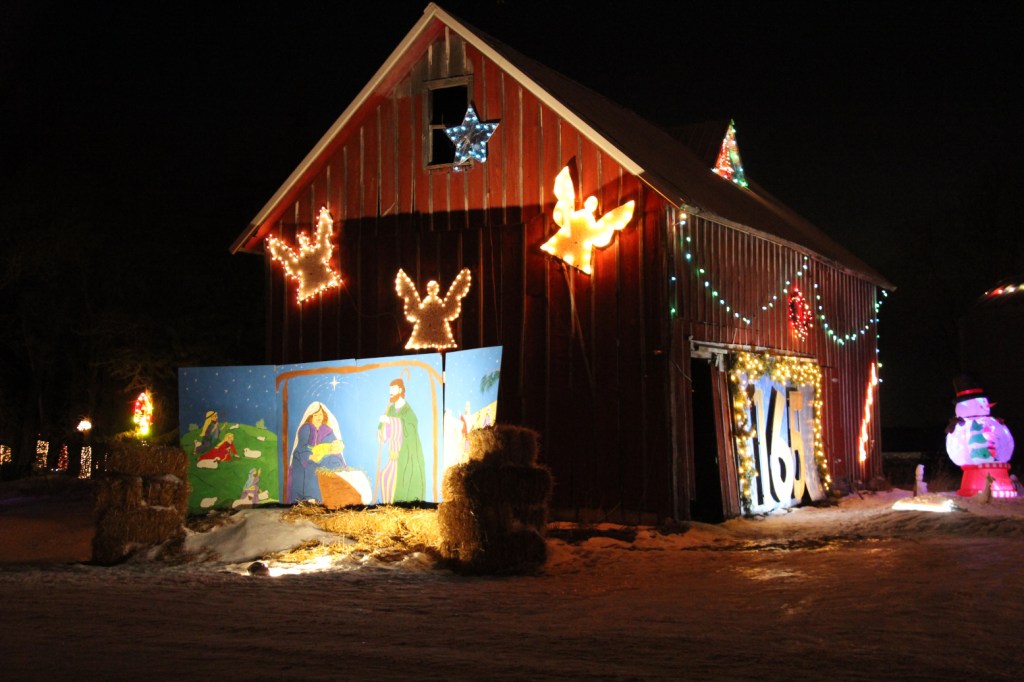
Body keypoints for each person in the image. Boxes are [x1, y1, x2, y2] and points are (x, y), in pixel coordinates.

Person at [378, 378, 426, 503]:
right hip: (392, 457)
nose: (391, 392)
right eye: (390, 390)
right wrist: (382, 427)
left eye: (393, 389)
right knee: (385, 476)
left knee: (397, 481)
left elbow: (410, 426)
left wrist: (390, 421)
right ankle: (388, 506)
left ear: (400, 390)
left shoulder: (407, 410)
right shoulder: (391, 409)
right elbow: (383, 431)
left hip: (405, 458)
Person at [290, 403, 346, 502]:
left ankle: (332, 495)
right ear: (310, 416)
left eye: (320, 414)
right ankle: (311, 497)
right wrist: (310, 456)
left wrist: (336, 447)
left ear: (324, 415)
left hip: (322, 456)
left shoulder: (327, 430)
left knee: (333, 462)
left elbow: (333, 444)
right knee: (312, 466)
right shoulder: (306, 428)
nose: (318, 417)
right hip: (306, 456)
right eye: (315, 415)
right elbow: (302, 446)